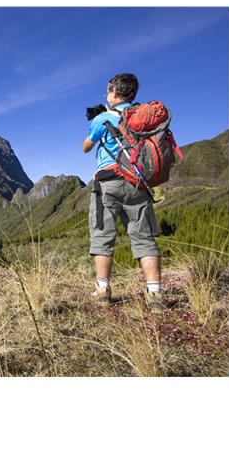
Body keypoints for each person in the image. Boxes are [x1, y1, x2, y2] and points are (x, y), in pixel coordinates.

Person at [82, 73, 164, 312]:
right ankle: (155, 294)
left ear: (115, 93)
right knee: (144, 238)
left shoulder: (104, 118)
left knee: (103, 235)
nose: (107, 95)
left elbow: (86, 147)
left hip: (108, 182)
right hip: (138, 183)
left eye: (108, 91)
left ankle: (103, 290)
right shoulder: (143, 118)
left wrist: (99, 120)